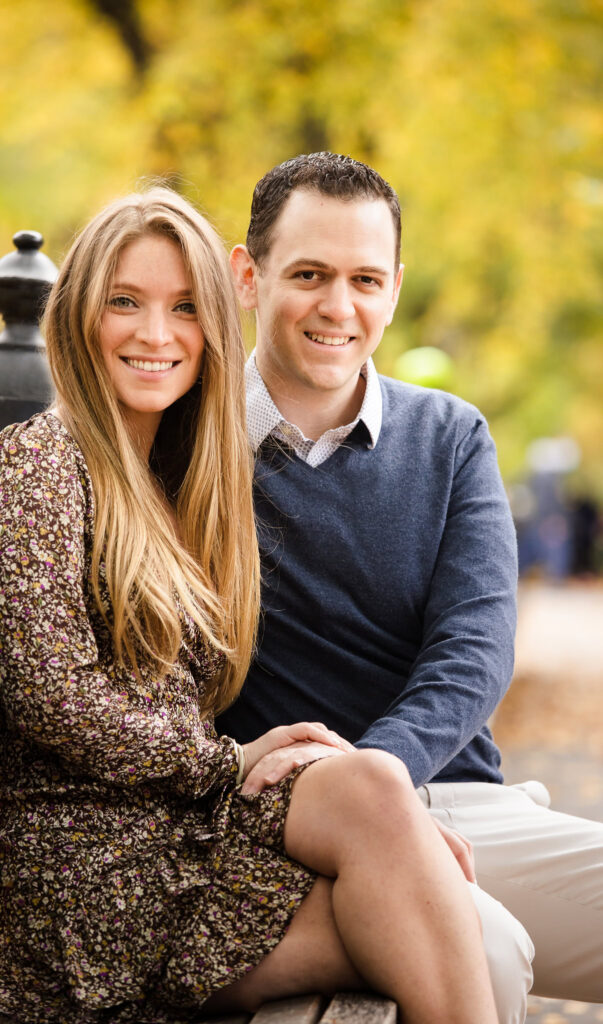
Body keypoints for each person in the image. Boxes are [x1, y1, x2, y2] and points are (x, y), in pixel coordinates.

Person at [0, 187, 503, 1024]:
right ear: (75, 315)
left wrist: (395, 837)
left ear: (214, 329)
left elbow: (475, 648)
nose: (155, 333)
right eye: (123, 302)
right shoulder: (40, 464)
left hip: (184, 837)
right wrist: (230, 763)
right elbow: (59, 701)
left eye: (184, 309)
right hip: (89, 879)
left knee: (373, 798)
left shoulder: (165, 479)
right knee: (449, 926)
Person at [215, 152, 603, 1005]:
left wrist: (380, 773)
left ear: (393, 287)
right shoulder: (182, 440)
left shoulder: (450, 435)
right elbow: (10, 476)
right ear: (248, 276)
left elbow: (472, 653)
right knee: (487, 956)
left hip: (456, 799)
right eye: (309, 274)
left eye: (363, 279)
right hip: (296, 829)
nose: (338, 306)